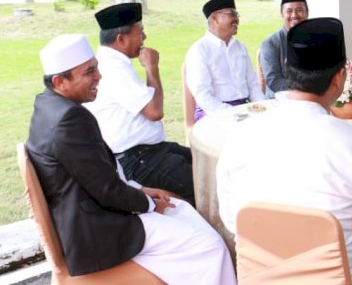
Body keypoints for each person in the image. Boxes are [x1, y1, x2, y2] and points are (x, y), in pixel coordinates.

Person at [217, 18, 352, 285]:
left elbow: (235, 223)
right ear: (339, 79)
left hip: (267, 277)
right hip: (342, 278)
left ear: (287, 68)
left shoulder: (238, 138)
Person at [27, 34, 236, 283]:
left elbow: (98, 174)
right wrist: (147, 203)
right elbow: (106, 189)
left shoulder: (47, 105)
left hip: (92, 211)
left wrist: (142, 190)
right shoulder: (69, 120)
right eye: (89, 72)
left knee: (183, 211)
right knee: (208, 244)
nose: (99, 77)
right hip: (99, 228)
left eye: (97, 68)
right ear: (60, 81)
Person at [84, 3, 194, 205]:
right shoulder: (113, 67)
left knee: (208, 164)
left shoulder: (114, 62)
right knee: (204, 185)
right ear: (121, 39)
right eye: (140, 32)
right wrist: (152, 68)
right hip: (137, 158)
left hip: (151, 150)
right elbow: (154, 111)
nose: (145, 38)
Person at [184, 0, 264, 121]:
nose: (237, 19)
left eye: (237, 15)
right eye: (232, 14)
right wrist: (233, 114)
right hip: (212, 113)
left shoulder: (240, 47)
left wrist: (262, 107)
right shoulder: (199, 50)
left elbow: (253, 85)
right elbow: (203, 95)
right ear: (215, 18)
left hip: (244, 109)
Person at [259, 0, 309, 98]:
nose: (294, 15)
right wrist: (308, 90)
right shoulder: (270, 43)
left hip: (312, 100)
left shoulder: (315, 41)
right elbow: (274, 81)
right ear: (282, 14)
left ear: (307, 13)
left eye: (299, 10)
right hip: (279, 102)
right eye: (289, 11)